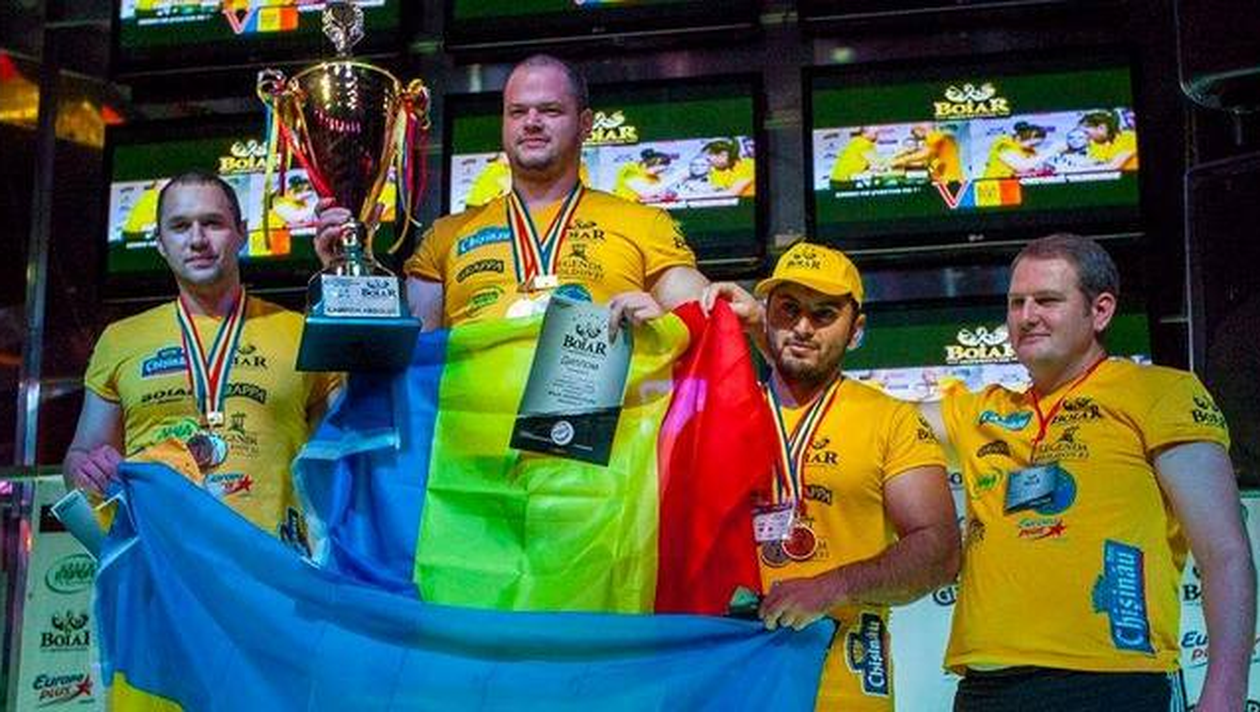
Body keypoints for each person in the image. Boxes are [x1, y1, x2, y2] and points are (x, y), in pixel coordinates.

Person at [920, 234, 1254, 711]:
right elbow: (878, 424)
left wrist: (1226, 692)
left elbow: (1224, 552)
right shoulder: (981, 410)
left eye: (1047, 300)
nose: (1026, 316)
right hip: (986, 687)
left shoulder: (1160, 392)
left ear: (1100, 311)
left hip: (1111, 680)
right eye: (1016, 303)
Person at [703, 243, 961, 711]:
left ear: (855, 329)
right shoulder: (717, 412)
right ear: (767, 315)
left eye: (823, 314)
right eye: (789, 309)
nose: (803, 327)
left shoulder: (890, 420)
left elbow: (939, 551)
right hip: (727, 677)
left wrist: (832, 586)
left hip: (842, 682)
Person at [317, 55, 707, 331]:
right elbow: (403, 352)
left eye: (550, 110)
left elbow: (708, 323)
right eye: (517, 112)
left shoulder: (642, 223)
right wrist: (351, 271)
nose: (531, 122)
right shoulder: (446, 237)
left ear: (586, 123)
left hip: (600, 423)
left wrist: (669, 322)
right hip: (473, 425)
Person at [64, 171, 341, 549]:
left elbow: (344, 447)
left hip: (275, 563)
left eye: (212, 223)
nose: (197, 240)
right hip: (162, 559)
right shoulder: (120, 339)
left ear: (241, 232)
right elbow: (82, 454)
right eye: (180, 226)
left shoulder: (301, 332)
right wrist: (87, 471)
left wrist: (342, 277)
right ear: (160, 242)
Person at [889, 123, 963, 184]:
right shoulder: (938, 169)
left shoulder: (934, 137)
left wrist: (900, 160)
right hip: (958, 177)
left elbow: (925, 154)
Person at [982, 121, 1049, 179]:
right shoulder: (1004, 144)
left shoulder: (1029, 150)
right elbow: (1023, 166)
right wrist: (1049, 152)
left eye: (1037, 144)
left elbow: (1038, 166)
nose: (1034, 146)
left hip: (1013, 185)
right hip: (993, 184)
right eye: (1033, 144)